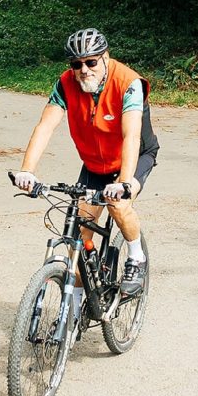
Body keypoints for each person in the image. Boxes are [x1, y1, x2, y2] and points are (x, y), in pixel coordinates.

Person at [12, 28, 158, 301]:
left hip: (135, 157)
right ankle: (76, 305)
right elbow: (45, 126)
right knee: (79, 233)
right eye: (76, 64)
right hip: (94, 165)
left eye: (91, 62)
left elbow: (131, 136)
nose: (83, 70)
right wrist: (27, 171)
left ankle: (136, 259)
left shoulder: (128, 83)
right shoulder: (65, 84)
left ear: (105, 58)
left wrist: (124, 183)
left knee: (117, 205)